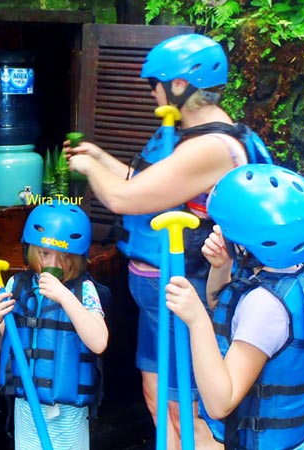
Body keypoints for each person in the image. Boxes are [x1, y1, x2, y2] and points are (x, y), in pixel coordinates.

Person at [65, 33, 257, 448]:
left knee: (190, 412)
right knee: (157, 400)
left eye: (155, 82)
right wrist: (98, 158)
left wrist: (88, 170)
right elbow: (144, 185)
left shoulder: (212, 147)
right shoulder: (184, 136)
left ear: (180, 84)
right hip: (157, 296)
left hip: (188, 295)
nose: (151, 91)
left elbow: (123, 198)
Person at [165, 165, 304, 449]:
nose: (218, 230)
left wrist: (196, 320)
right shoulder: (297, 271)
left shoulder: (266, 306)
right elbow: (229, 313)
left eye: (228, 228)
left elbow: (221, 402)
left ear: (258, 243)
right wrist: (222, 267)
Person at [0, 201, 109, 450]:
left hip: (68, 413)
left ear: (79, 258)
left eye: (65, 257)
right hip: (27, 407)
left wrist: (64, 296)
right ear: (31, 251)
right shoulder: (16, 287)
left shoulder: (84, 290)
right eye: (45, 253)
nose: (54, 264)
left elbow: (99, 342)